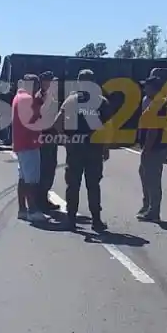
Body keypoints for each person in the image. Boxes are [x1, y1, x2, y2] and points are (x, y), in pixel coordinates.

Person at [52, 68, 111, 232]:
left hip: (75, 147)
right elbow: (107, 127)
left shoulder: (71, 100)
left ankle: (71, 220)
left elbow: (57, 123)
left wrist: (65, 140)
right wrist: (106, 148)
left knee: (73, 185)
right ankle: (96, 221)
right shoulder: (101, 101)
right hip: (94, 148)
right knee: (93, 185)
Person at [12, 74, 48, 222]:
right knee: (31, 180)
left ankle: (22, 209)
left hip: (21, 143)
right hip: (29, 143)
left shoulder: (19, 97)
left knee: (23, 178)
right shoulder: (28, 99)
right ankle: (33, 210)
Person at [137, 74, 167, 222]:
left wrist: (147, 148)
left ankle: (154, 211)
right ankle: (147, 205)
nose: (145, 88)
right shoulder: (150, 102)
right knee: (144, 173)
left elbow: (153, 129)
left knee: (152, 178)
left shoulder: (159, 105)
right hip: (152, 144)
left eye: (147, 86)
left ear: (154, 89)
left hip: (155, 146)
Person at [36, 71, 61, 212]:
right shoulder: (40, 97)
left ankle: (43, 198)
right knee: (45, 168)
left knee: (50, 167)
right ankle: (40, 200)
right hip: (44, 137)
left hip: (51, 137)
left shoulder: (51, 97)